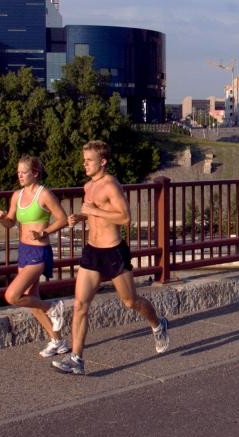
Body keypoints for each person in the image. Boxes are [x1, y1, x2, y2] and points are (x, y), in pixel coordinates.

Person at [52, 140, 169, 375]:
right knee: (80, 305)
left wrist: (92, 211)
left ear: (102, 162)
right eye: (83, 160)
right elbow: (97, 215)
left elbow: (125, 218)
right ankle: (77, 358)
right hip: (92, 252)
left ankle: (158, 324)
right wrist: (81, 218)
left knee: (130, 301)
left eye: (89, 161)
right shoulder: (88, 186)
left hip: (113, 251)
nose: (84, 164)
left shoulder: (111, 185)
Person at [0, 155, 69, 358]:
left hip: (39, 251)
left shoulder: (44, 194)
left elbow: (62, 219)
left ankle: (53, 307)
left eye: (24, 172)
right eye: (18, 172)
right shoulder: (16, 196)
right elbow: (11, 222)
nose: (19, 175)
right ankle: (58, 341)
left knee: (13, 296)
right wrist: (3, 219)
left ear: (35, 173)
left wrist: (45, 232)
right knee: (31, 300)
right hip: (24, 251)